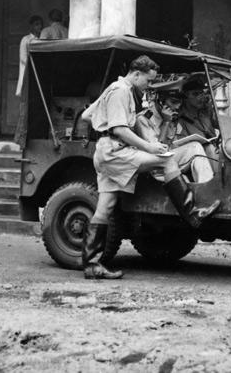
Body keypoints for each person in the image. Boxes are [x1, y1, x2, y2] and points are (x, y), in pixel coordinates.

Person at [81, 56, 220, 279]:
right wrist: (147, 146)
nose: (148, 86)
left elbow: (87, 115)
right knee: (165, 158)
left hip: (107, 150)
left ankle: (92, 264)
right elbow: (120, 129)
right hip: (117, 150)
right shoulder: (121, 91)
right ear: (136, 74)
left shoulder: (113, 89)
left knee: (105, 207)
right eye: (148, 80)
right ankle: (192, 214)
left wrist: (103, 126)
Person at [136, 79, 214, 184]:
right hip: (153, 164)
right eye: (173, 102)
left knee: (204, 147)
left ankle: (207, 185)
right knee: (195, 147)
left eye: (179, 102)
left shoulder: (173, 115)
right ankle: (206, 187)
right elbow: (158, 151)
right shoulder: (144, 119)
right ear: (160, 101)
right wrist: (166, 122)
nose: (177, 106)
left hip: (170, 160)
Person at [177, 73, 217, 139]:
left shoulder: (206, 112)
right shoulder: (180, 117)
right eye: (195, 94)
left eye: (201, 93)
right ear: (186, 96)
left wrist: (211, 105)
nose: (200, 97)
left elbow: (220, 125)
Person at [15, 15, 43, 97]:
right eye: (37, 24)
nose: (39, 27)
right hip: (28, 70)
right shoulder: (26, 39)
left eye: (41, 24)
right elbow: (23, 58)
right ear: (31, 26)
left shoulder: (42, 39)